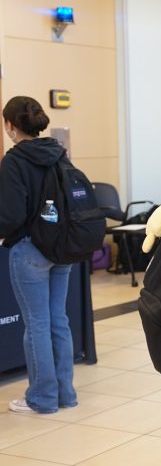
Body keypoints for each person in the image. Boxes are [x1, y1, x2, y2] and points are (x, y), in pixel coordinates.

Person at [0, 96, 77, 415]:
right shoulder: (60, 154)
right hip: (63, 247)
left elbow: (11, 213)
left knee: (37, 323)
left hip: (30, 249)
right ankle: (65, 393)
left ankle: (42, 397)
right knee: (58, 320)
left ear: (10, 125)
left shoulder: (14, 161)